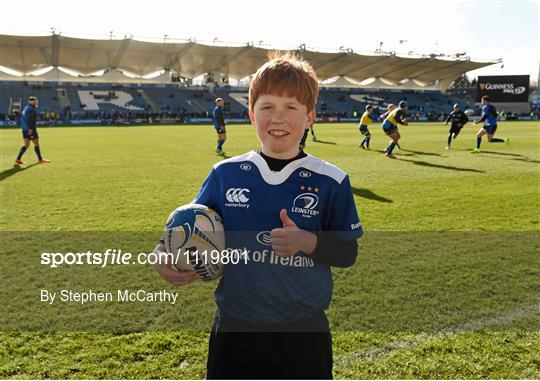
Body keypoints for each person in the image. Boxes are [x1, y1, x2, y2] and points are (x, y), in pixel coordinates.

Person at [154, 52, 363, 379]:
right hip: (236, 329)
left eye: (291, 108)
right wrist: (162, 253)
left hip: (303, 332)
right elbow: (189, 222)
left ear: (310, 117)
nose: (278, 118)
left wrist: (307, 241)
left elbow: (347, 252)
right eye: (267, 107)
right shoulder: (226, 173)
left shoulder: (331, 180)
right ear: (252, 114)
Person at [15, 96, 50, 165]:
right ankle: (40, 159)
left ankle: (18, 159)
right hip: (30, 129)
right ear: (30, 101)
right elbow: (31, 120)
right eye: (35, 101)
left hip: (24, 129)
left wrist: (18, 114)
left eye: (36, 101)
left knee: (26, 145)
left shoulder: (26, 108)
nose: (36, 102)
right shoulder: (31, 109)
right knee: (36, 143)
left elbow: (22, 116)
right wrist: (31, 129)